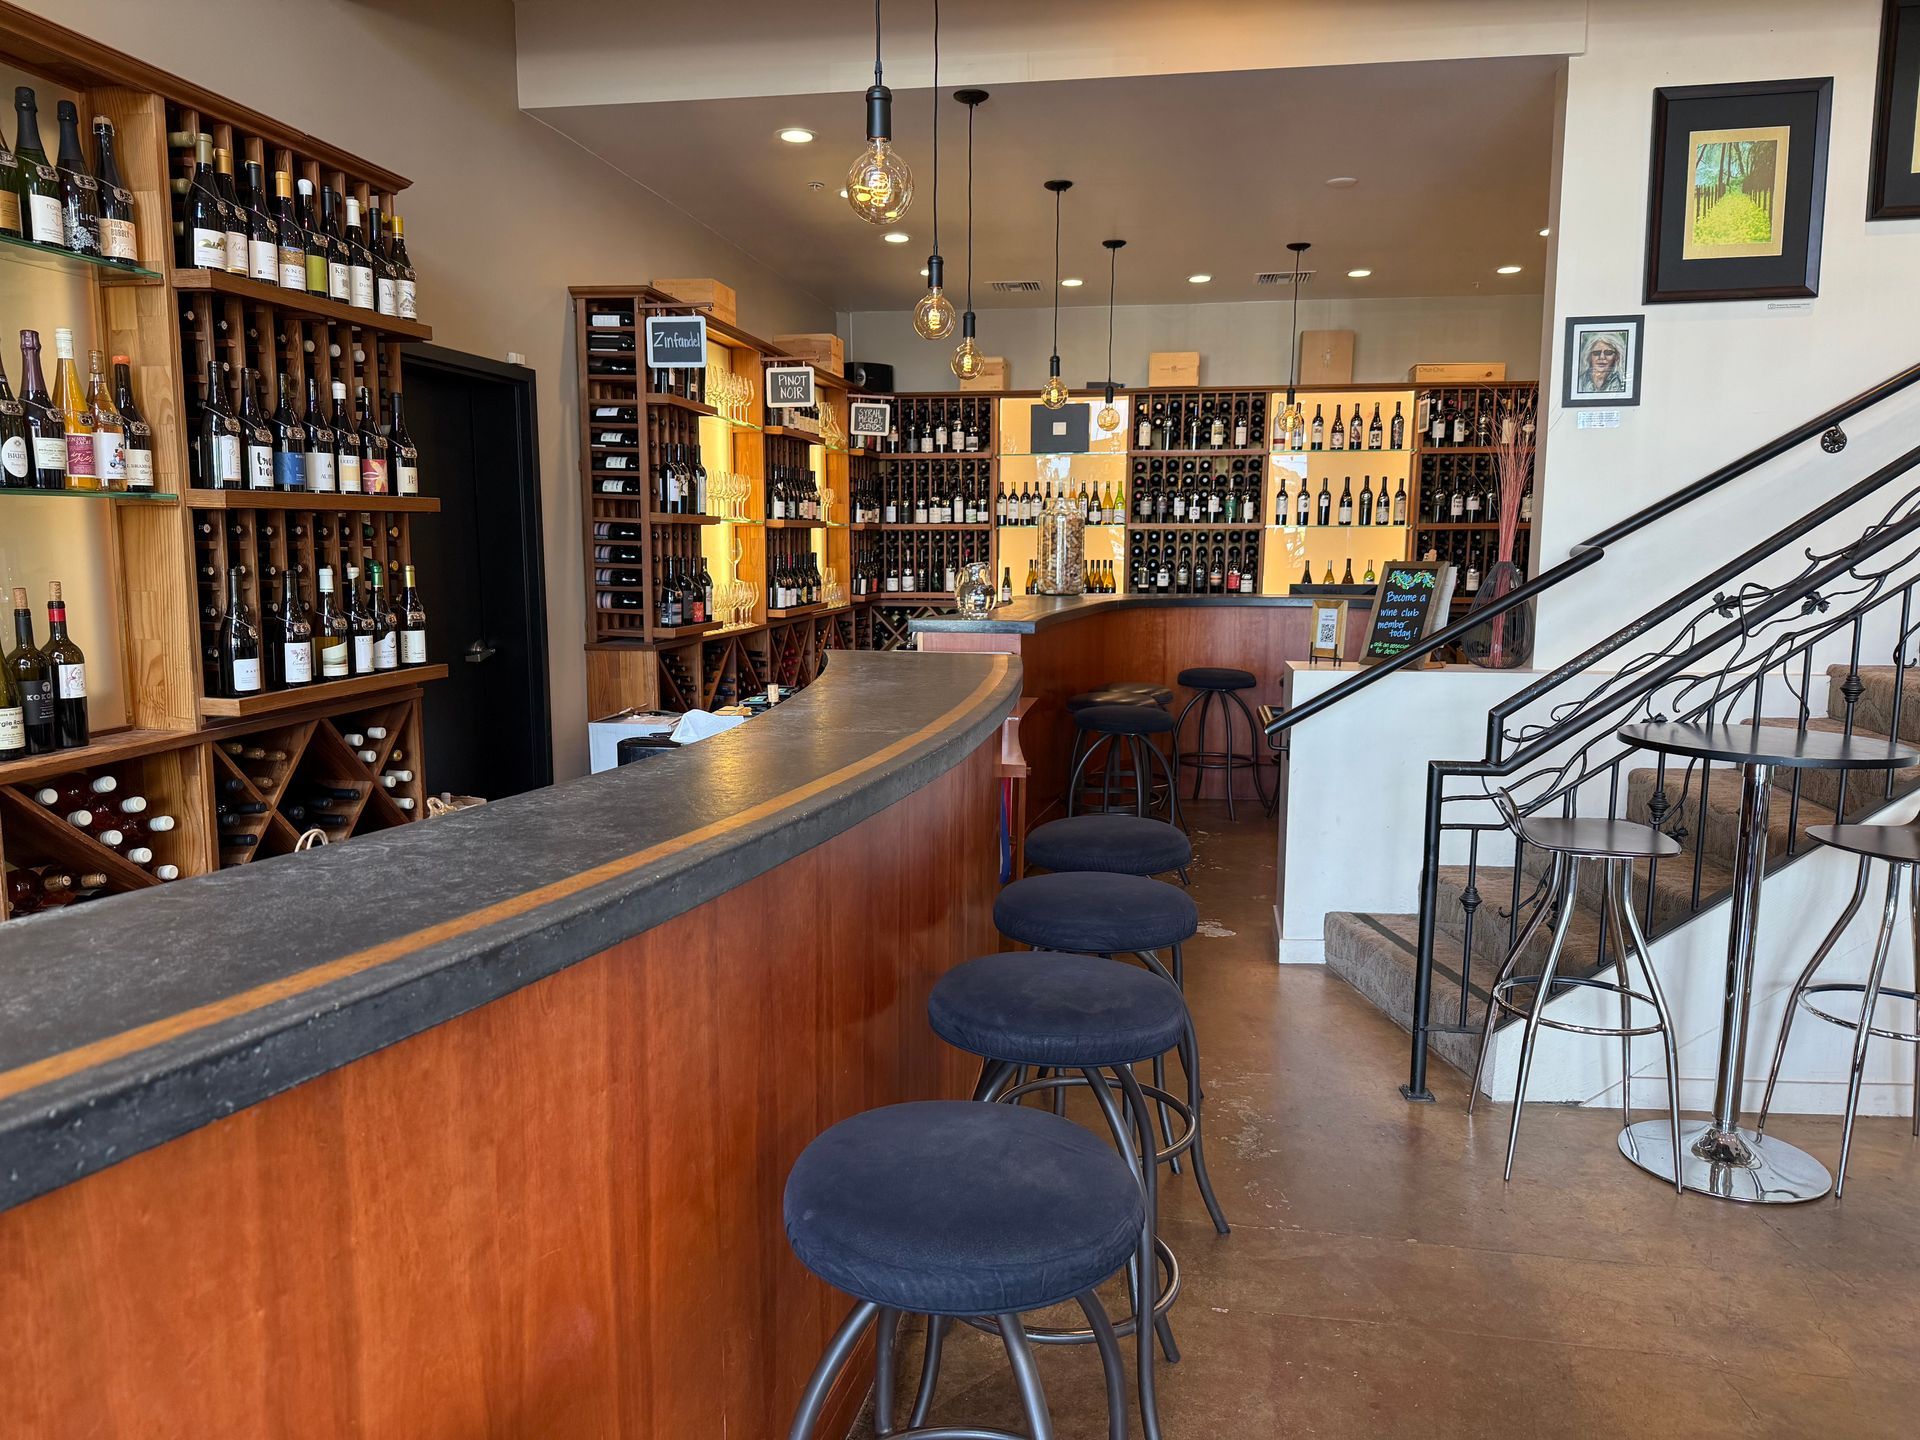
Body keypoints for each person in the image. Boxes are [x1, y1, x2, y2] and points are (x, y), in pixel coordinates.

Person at [1576, 330, 1630, 395]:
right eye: (1596, 353)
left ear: (1617, 356)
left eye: (1608, 353)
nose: (1602, 357)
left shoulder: (1623, 383)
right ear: (1589, 356)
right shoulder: (1579, 382)